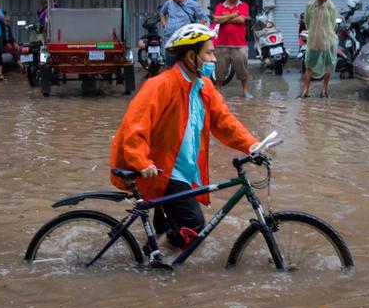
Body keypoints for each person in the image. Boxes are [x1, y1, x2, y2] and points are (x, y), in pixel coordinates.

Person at [109, 23, 260, 249]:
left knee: (166, 231)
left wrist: (252, 145)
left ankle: (151, 271)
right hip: (163, 170)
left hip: (186, 169)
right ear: (191, 56)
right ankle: (158, 262)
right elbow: (134, 126)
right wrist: (141, 162)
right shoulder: (160, 85)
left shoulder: (204, 87)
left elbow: (225, 122)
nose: (214, 59)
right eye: (209, 53)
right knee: (194, 224)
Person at [299, 0, 339, 98]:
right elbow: (306, 21)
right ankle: (305, 91)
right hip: (314, 40)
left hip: (328, 40)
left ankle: (324, 90)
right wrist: (314, 32)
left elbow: (333, 22)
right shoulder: (310, 5)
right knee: (309, 65)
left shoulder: (330, 6)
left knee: (328, 65)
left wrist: (327, 33)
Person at [213, 0, 252, 98]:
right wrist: (233, 15)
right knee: (219, 71)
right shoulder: (220, 6)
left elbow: (241, 20)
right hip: (222, 45)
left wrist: (225, 18)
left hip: (239, 45)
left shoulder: (243, 5)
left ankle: (245, 90)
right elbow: (216, 20)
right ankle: (218, 90)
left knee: (242, 70)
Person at [159, 0, 208, 67]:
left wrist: (194, 30)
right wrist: (165, 25)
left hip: (185, 41)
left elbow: (203, 18)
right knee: (170, 66)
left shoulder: (193, 5)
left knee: (185, 65)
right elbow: (162, 13)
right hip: (171, 40)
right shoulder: (169, 3)